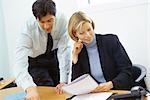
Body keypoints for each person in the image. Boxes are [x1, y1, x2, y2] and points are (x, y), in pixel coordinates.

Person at [13, 0, 71, 99]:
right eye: (42, 22)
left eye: (50, 20)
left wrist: (63, 81)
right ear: (36, 19)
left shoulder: (62, 20)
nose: (47, 26)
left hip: (53, 55)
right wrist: (29, 88)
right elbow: (19, 63)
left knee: (60, 90)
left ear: (55, 15)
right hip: (36, 61)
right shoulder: (27, 29)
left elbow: (64, 51)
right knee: (46, 90)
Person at [68, 11, 133, 92]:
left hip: (116, 91)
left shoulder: (111, 41)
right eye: (82, 33)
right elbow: (77, 85)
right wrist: (75, 57)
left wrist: (111, 84)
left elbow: (127, 71)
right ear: (75, 34)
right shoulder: (80, 51)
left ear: (92, 25)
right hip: (95, 95)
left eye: (89, 29)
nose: (87, 35)